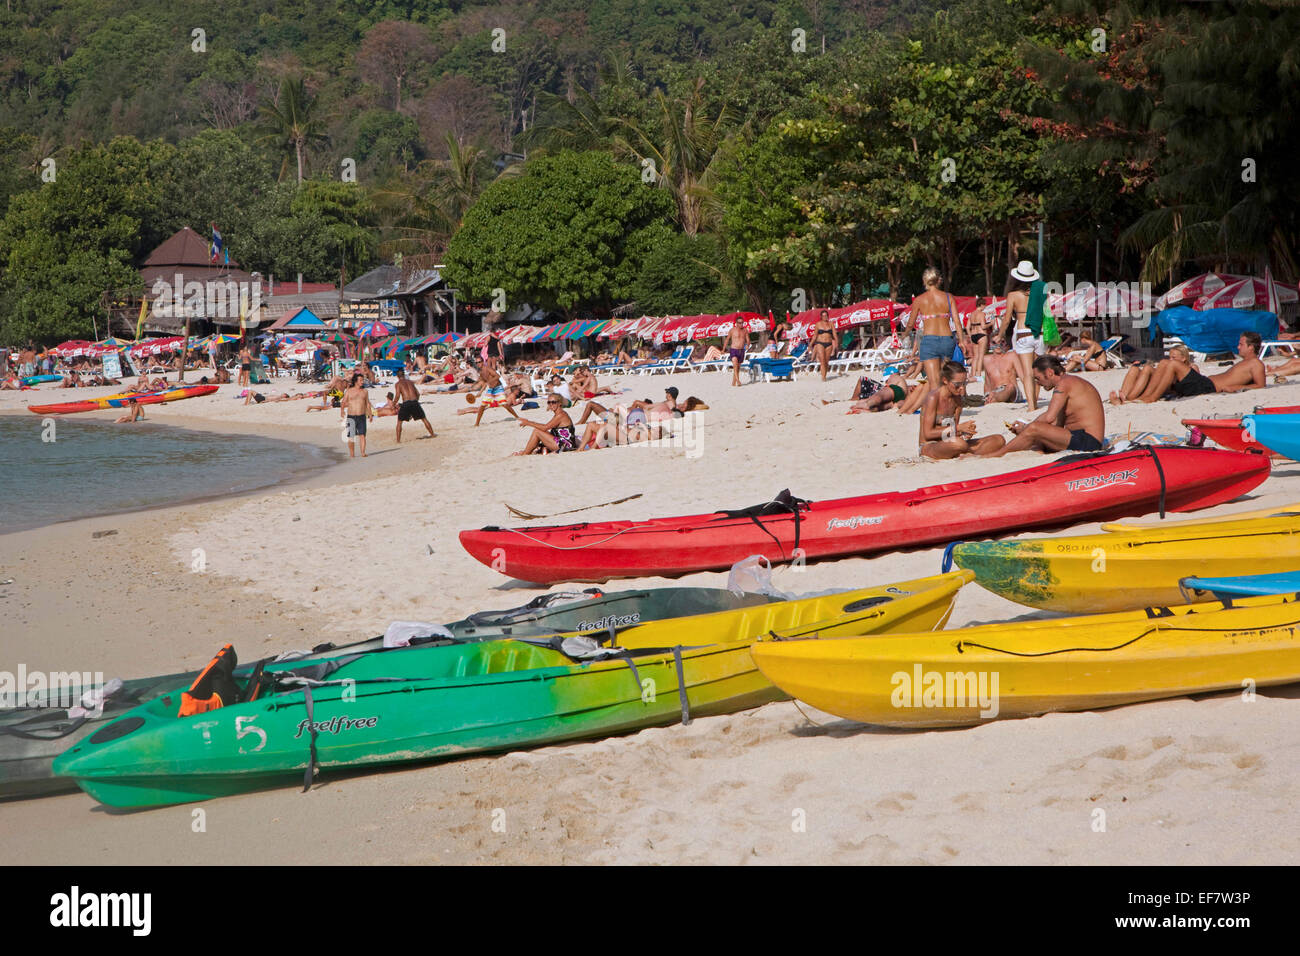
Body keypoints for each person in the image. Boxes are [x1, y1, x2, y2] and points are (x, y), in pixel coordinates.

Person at [985, 354, 1105, 456]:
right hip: (1080, 438)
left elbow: (1049, 417)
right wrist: (1025, 430)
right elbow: (1056, 423)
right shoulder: (1069, 382)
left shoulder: (1064, 384)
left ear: (1049, 372)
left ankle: (997, 454)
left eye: (1038, 378)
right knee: (1036, 436)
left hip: (1088, 441)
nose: (1038, 383)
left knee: (1034, 429)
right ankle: (1032, 450)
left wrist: (1027, 428)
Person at [1110, 334, 1266, 404]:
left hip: (1208, 386)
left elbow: (1260, 386)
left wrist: (1236, 387)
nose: (1238, 346)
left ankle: (1150, 398)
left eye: (1241, 344)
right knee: (1164, 363)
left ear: (1251, 347)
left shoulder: (1256, 364)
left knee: (1172, 364)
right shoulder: (1243, 362)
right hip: (1204, 382)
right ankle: (1145, 396)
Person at [918, 361, 1005, 458]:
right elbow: (928, 434)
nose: (962, 388)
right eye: (957, 385)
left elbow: (953, 433)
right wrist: (958, 428)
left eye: (964, 384)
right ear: (945, 380)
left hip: (949, 441)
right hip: (930, 445)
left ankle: (968, 454)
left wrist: (964, 433)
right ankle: (970, 453)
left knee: (999, 439)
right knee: (959, 444)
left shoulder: (957, 399)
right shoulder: (933, 398)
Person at [908, 268, 966, 396]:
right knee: (944, 377)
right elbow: (957, 321)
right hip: (947, 339)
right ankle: (946, 403)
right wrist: (962, 340)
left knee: (934, 382)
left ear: (925, 281)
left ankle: (937, 409)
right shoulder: (948, 297)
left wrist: (905, 333)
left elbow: (911, 323)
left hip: (930, 340)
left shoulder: (919, 299)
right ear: (938, 280)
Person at [997, 260, 1046, 411]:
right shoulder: (1041, 291)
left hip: (1024, 333)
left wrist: (1000, 335)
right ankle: (1035, 401)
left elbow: (1006, 320)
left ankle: (1031, 406)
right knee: (1038, 371)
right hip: (1040, 332)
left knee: (1027, 374)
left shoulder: (1013, 295)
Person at [508, 394, 578, 454]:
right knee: (540, 431)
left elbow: (545, 427)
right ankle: (527, 451)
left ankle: (525, 453)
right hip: (562, 442)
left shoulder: (561, 415)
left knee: (537, 431)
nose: (551, 404)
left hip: (565, 445)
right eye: (549, 402)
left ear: (559, 403)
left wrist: (528, 423)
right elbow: (546, 427)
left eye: (553, 402)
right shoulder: (558, 414)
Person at [393, 367, 436, 441]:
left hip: (406, 403)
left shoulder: (398, 384)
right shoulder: (410, 382)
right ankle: (432, 434)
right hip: (414, 402)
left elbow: (397, 396)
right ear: (404, 375)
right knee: (424, 419)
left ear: (397, 376)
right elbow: (418, 394)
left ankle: (398, 440)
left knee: (399, 422)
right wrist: (416, 401)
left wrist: (393, 404)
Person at [340, 373, 374, 458]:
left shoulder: (365, 391)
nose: (362, 382)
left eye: (363, 380)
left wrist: (370, 414)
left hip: (362, 416)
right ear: (356, 381)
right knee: (351, 436)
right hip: (351, 416)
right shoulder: (349, 391)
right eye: (360, 380)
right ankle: (352, 454)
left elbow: (367, 403)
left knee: (362, 435)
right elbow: (343, 402)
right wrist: (342, 411)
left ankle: (363, 452)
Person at [809, 309, 836, 381]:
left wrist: (836, 345)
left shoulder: (831, 324)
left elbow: (834, 335)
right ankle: (823, 378)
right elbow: (815, 336)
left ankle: (824, 375)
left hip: (829, 344)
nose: (825, 317)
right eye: (823, 316)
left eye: (826, 315)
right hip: (820, 343)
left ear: (828, 316)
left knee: (826, 361)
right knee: (822, 361)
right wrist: (810, 345)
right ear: (821, 317)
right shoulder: (818, 324)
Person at [967, 297, 991, 379]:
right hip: (981, 334)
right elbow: (984, 326)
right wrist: (991, 323)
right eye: (985, 305)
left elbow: (967, 327)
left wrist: (970, 335)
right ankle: (978, 374)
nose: (985, 307)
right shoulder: (981, 314)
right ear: (981, 305)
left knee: (975, 356)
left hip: (973, 335)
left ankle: (973, 374)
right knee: (981, 356)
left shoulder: (971, 314)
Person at [727, 317, 749, 387]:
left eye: (742, 323)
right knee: (735, 365)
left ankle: (734, 382)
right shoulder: (732, 330)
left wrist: (748, 345)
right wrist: (723, 349)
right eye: (740, 323)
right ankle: (738, 380)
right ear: (736, 323)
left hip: (741, 350)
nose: (741, 324)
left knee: (738, 367)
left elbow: (748, 340)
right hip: (733, 349)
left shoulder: (745, 330)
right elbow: (727, 339)